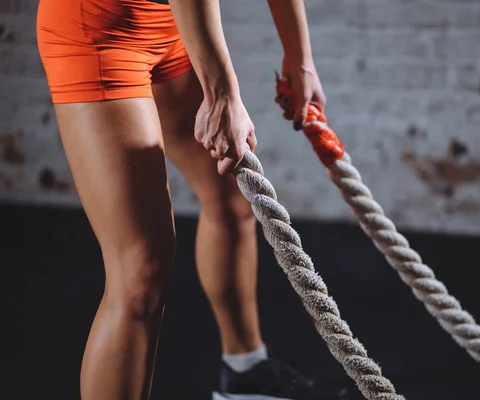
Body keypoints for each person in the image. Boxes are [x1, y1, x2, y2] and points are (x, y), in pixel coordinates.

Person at [36, 0, 343, 399]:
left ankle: (244, 375)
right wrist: (221, 95)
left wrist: (300, 60)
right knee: (141, 269)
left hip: (170, 24)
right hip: (98, 29)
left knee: (233, 200)